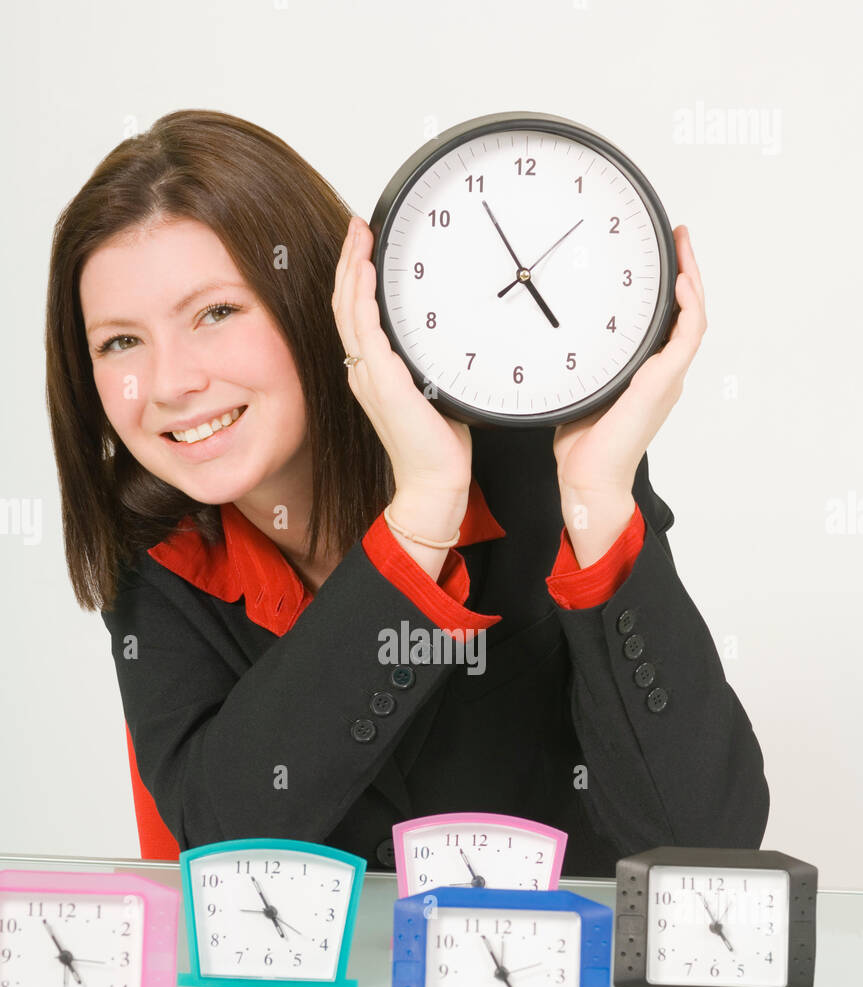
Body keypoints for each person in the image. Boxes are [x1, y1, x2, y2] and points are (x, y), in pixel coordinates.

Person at [45, 109, 768, 876]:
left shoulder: (540, 460)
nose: (170, 384)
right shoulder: (159, 554)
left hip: (553, 986)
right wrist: (418, 522)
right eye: (120, 341)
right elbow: (226, 843)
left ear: (330, 304)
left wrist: (596, 496)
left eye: (216, 313)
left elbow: (703, 847)